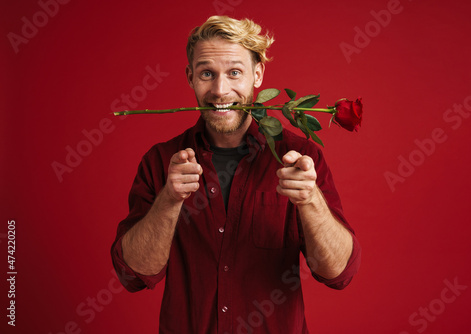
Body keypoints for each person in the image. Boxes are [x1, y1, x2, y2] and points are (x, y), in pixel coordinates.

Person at [111, 15, 361, 334]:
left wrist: (310, 200)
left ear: (257, 75)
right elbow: (132, 273)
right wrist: (169, 201)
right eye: (207, 73)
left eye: (234, 72)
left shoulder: (302, 159)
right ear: (190, 77)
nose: (220, 90)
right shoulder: (160, 161)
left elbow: (339, 273)